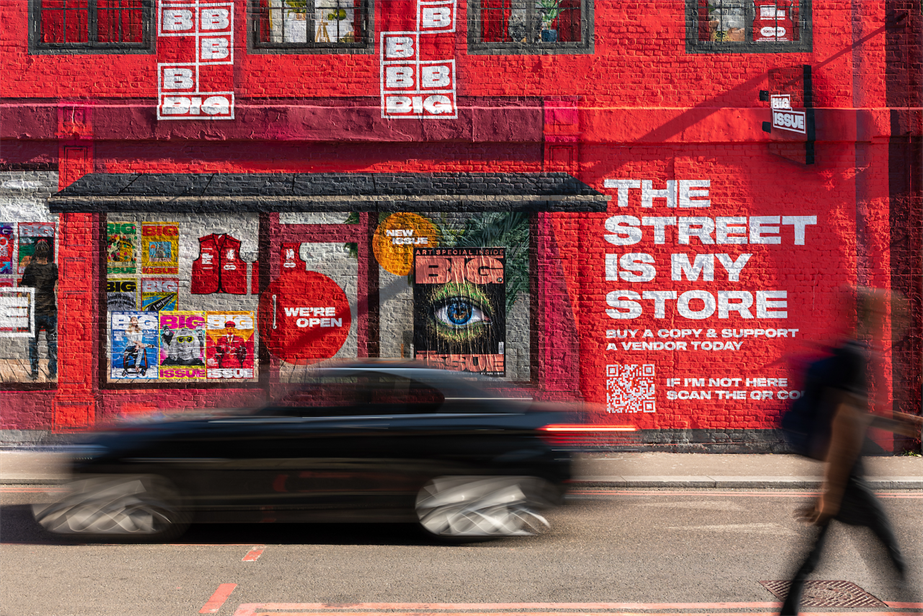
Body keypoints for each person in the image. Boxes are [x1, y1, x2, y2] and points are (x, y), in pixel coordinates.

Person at [780, 288, 913, 616]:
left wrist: (904, 425)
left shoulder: (848, 353)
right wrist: (830, 492)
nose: (898, 325)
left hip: (844, 475)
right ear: (873, 318)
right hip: (849, 478)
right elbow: (843, 425)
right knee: (892, 556)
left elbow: (856, 415)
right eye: (891, 317)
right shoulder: (856, 358)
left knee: (812, 558)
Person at [21, 239, 57, 380]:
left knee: (33, 344)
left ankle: (35, 372)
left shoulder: (31, 268)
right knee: (52, 344)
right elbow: (58, 287)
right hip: (50, 310)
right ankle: (52, 372)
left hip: (35, 311)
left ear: (36, 253)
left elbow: (25, 289)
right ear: (47, 254)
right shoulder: (53, 267)